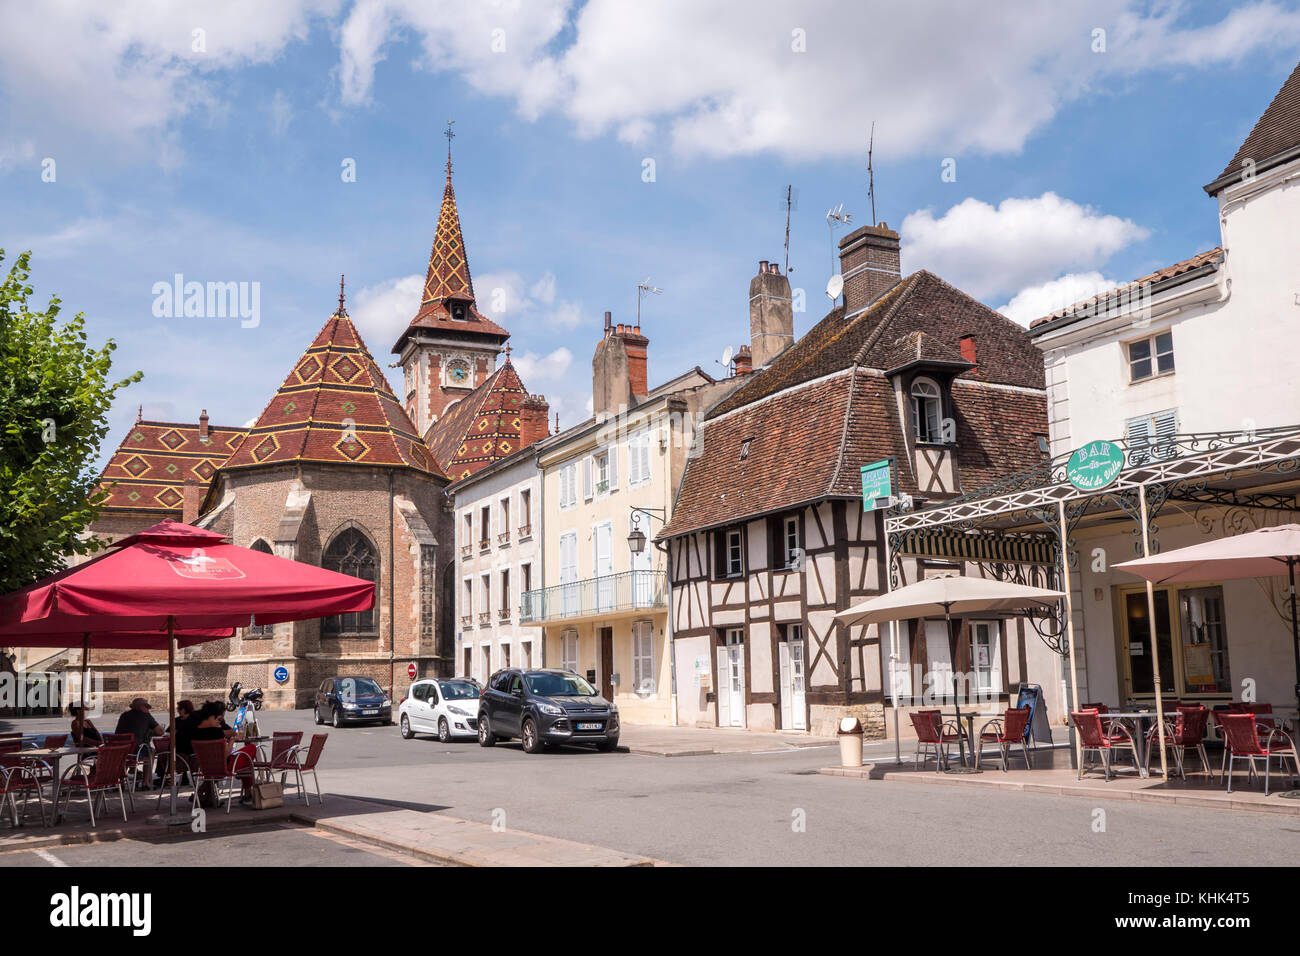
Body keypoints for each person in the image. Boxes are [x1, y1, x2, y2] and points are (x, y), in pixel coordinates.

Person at [189, 701, 254, 805]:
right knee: (250, 750)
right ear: (211, 717)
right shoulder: (217, 731)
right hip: (224, 766)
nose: (220, 723)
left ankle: (206, 795)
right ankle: (248, 792)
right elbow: (227, 753)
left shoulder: (194, 732)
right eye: (219, 720)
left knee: (246, 761)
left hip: (205, 767)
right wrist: (232, 740)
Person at [115, 698, 162, 789]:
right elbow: (160, 732)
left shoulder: (124, 715)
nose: (147, 709)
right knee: (151, 751)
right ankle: (145, 782)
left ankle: (121, 782)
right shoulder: (146, 716)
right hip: (135, 751)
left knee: (127, 757)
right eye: (146, 707)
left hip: (120, 749)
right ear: (141, 707)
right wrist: (150, 731)